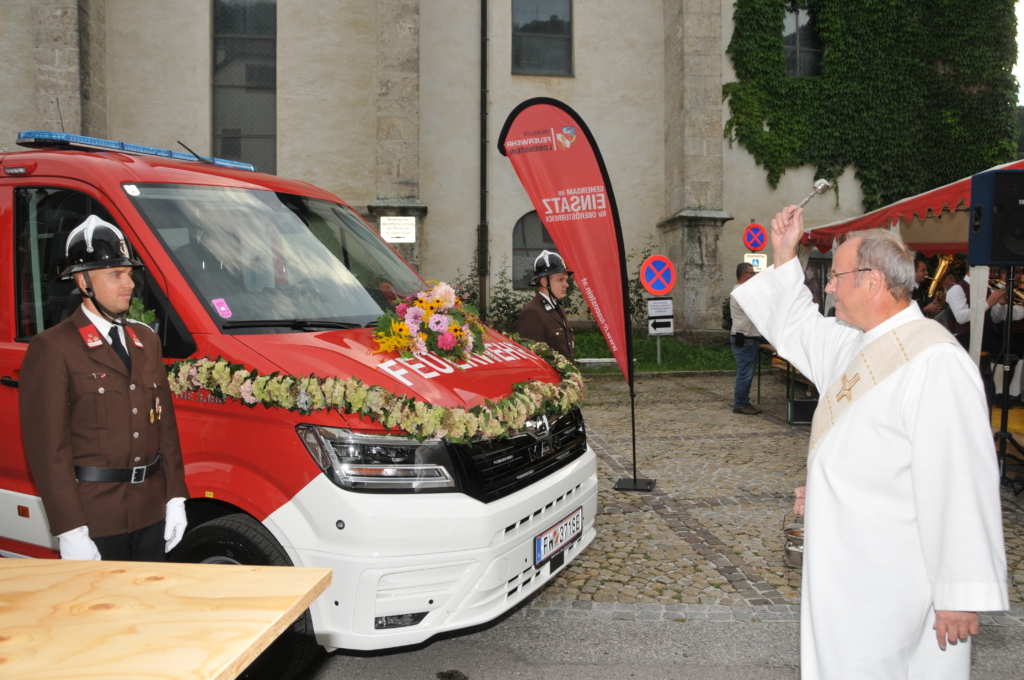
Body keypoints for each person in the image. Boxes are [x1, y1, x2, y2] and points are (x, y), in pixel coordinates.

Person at [733, 207, 1007, 680]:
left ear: (873, 281)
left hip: (895, 578)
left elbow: (960, 481)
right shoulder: (855, 343)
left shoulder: (935, 361)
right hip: (849, 566)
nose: (829, 286)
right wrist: (783, 254)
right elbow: (797, 326)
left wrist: (959, 593)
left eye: (837, 277)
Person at [19, 216, 189, 562]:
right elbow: (49, 451)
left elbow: (165, 429)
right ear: (84, 282)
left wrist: (175, 498)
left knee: (148, 610)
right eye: (115, 275)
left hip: (151, 512)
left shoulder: (146, 340)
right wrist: (71, 530)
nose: (129, 284)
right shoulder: (54, 347)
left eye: (129, 273)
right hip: (95, 519)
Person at [516, 250, 575, 362]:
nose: (566, 285)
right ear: (544, 282)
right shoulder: (533, 313)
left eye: (566, 280)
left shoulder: (557, 308)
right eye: (560, 279)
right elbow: (531, 359)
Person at [730, 262, 762, 415]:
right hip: (745, 338)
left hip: (747, 337)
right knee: (745, 373)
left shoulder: (741, 291)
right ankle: (740, 403)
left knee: (746, 372)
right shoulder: (741, 292)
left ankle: (743, 401)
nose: (753, 276)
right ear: (744, 275)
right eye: (752, 273)